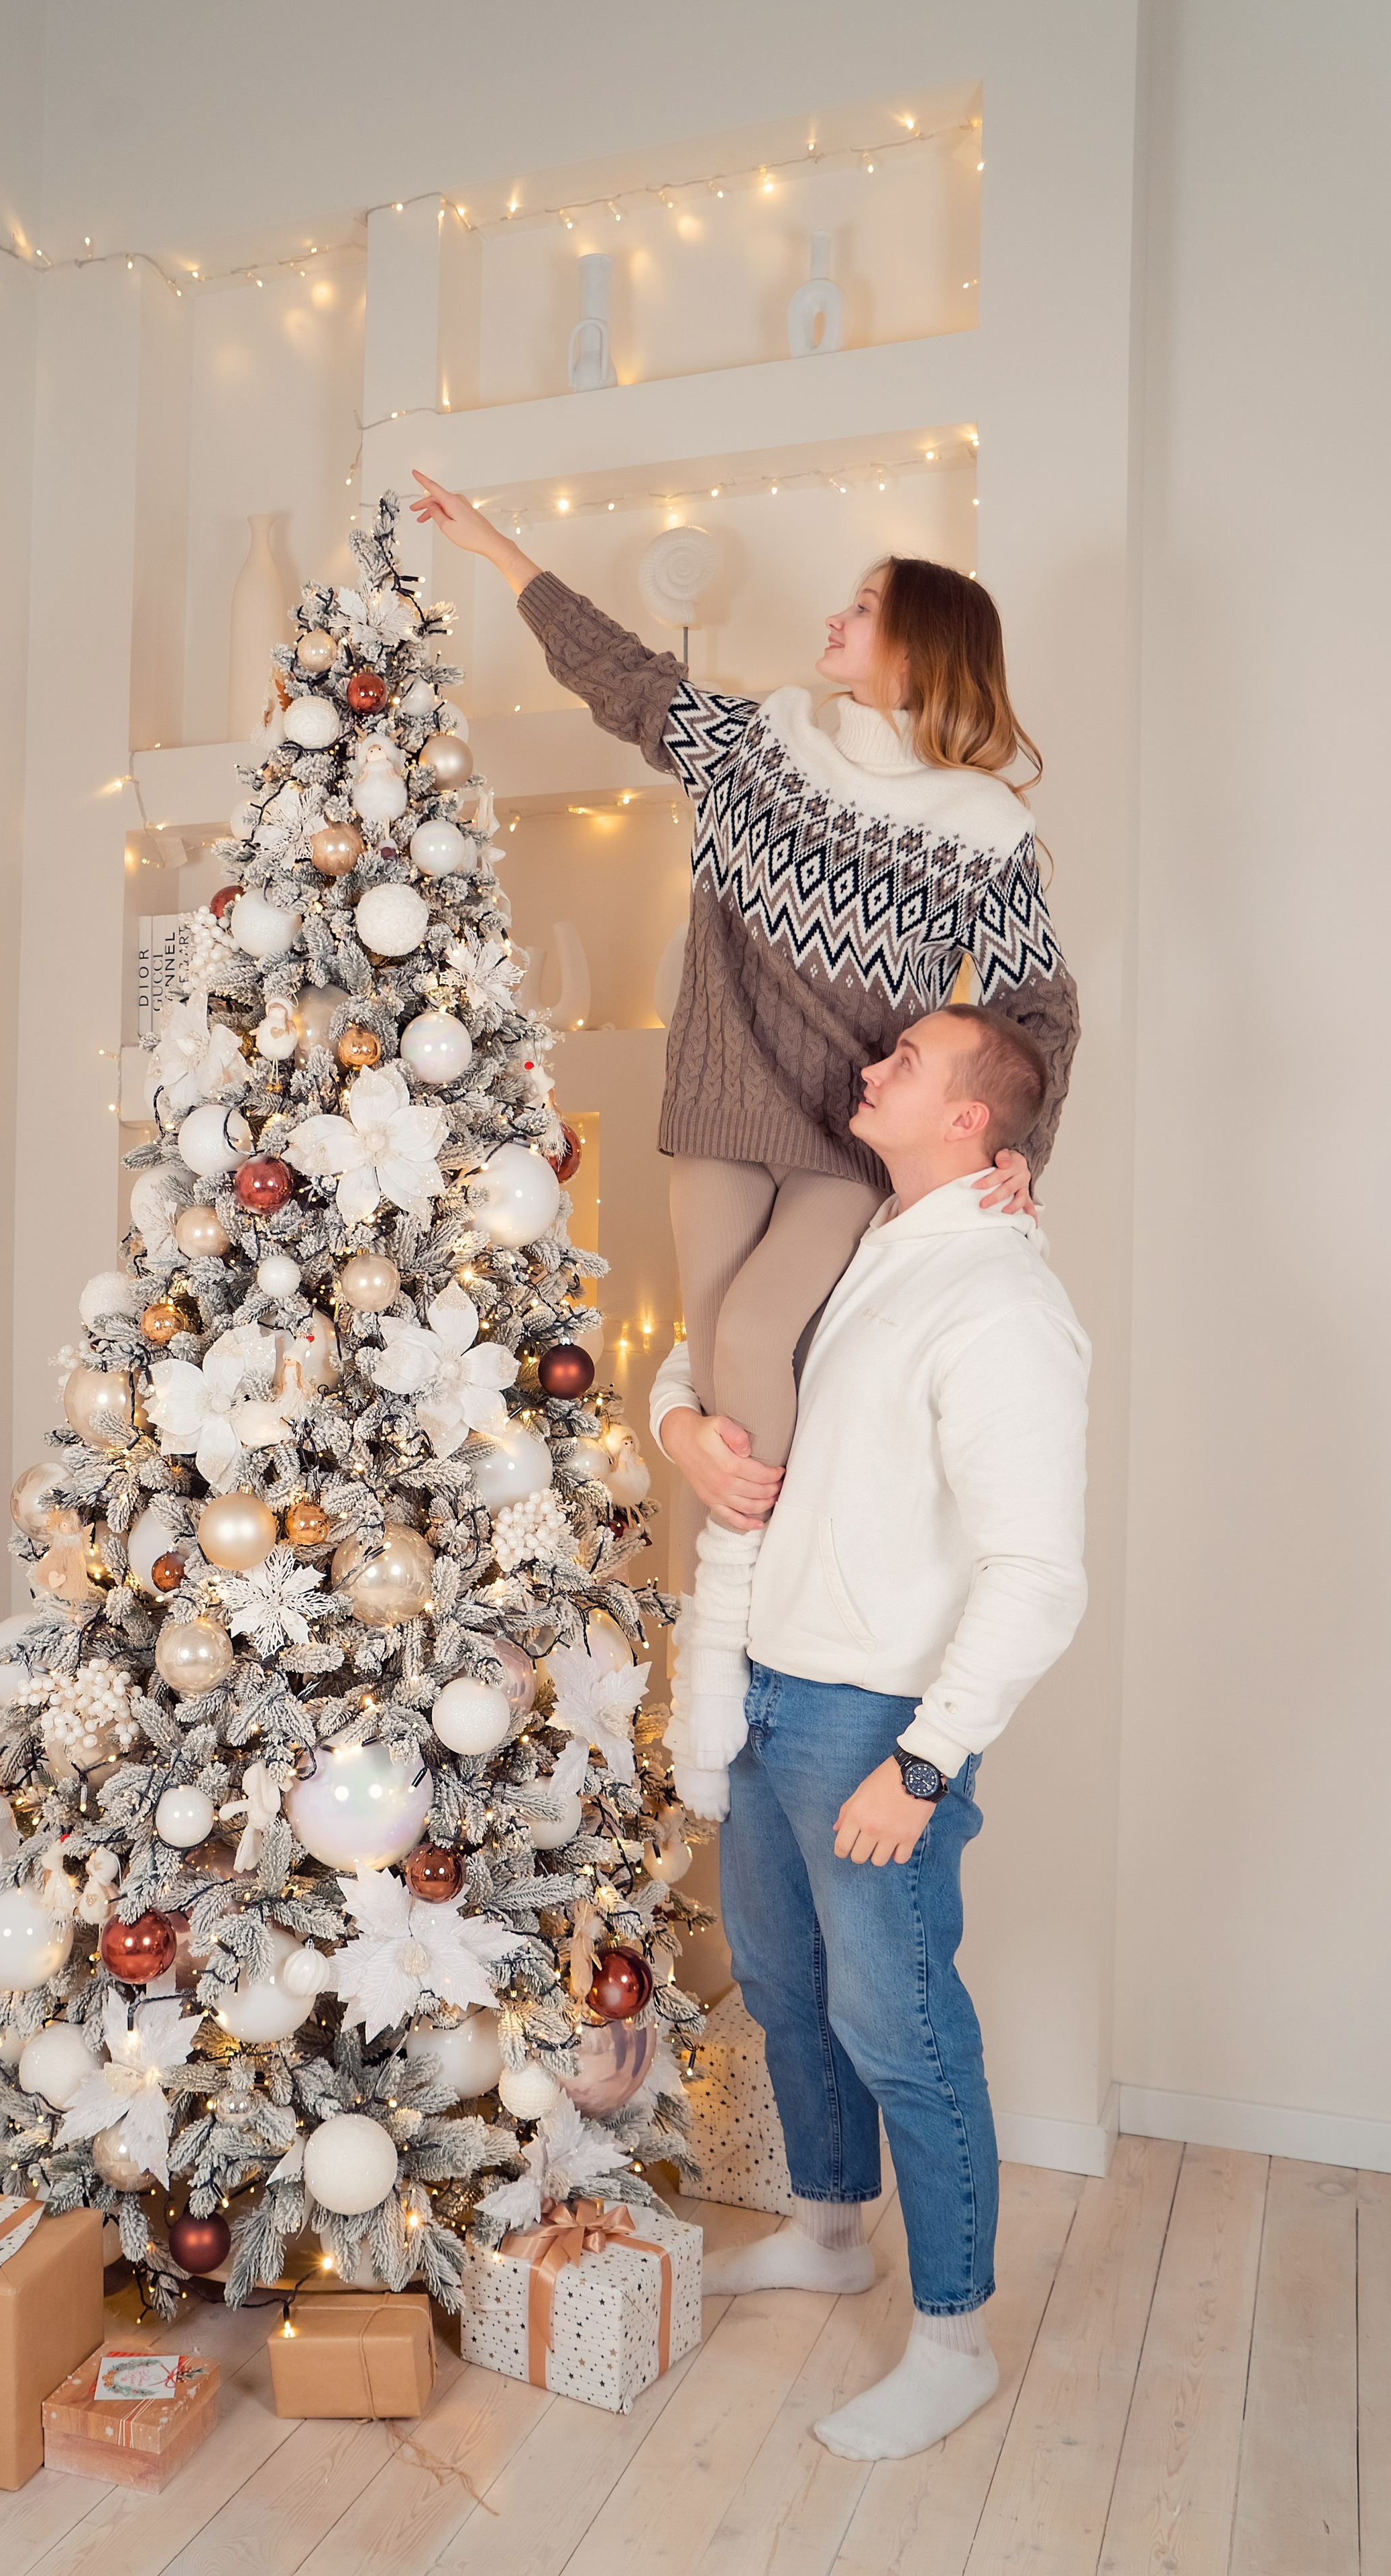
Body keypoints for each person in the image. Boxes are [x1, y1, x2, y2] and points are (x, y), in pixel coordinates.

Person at [409, 471, 1079, 1772]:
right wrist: (495, 551)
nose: (836, 616)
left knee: (764, 1331)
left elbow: (1036, 1014)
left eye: (864, 606)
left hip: (843, 1134)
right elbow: (619, 675)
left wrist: (1010, 1156)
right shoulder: (756, 747)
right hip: (717, 1108)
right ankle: (725, 1669)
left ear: (917, 647)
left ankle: (720, 1650)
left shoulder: (979, 830)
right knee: (714, 1367)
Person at [649, 1004, 1090, 2462]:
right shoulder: (854, 1247)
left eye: (905, 1062)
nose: (868, 1067)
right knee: (783, 1989)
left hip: (871, 1720)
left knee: (899, 2030)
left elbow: (1037, 1576)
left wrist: (924, 1763)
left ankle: (951, 2337)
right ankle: (831, 2233)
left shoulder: (1000, 1304)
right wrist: (682, 1439)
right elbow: (707, 1360)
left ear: (974, 1123)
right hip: (765, 1686)